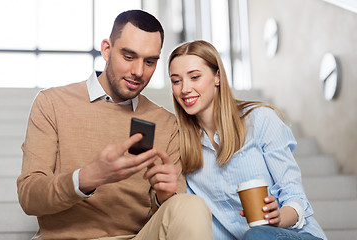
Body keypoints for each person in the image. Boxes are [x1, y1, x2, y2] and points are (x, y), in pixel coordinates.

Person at [17, 10, 212, 240]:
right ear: (107, 50)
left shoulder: (165, 123)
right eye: (129, 57)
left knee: (192, 205)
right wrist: (87, 177)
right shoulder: (52, 103)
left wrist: (164, 196)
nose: (139, 72)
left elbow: (174, 216)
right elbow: (29, 197)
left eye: (149, 61)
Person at [168, 40, 327, 240]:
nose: (185, 89)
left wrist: (278, 218)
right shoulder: (182, 144)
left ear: (217, 77)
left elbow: (295, 196)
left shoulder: (260, 120)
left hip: (288, 235)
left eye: (195, 77)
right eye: (176, 81)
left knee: (258, 235)